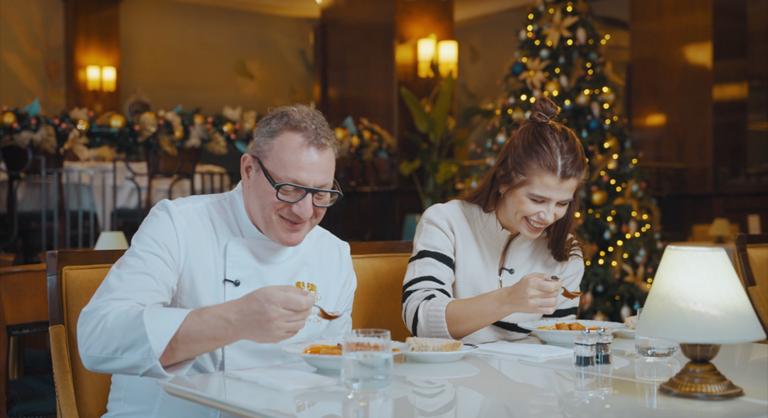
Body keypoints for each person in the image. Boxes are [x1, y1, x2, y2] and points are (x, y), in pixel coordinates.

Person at [78, 104, 355, 417]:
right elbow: (98, 339)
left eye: (320, 194)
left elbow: (335, 376)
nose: (304, 212)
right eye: (289, 189)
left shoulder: (333, 254)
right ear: (248, 170)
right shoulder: (179, 224)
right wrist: (236, 319)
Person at [402, 97, 587, 344]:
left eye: (562, 203)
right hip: (450, 380)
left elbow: (558, 343)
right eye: (537, 199)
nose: (549, 215)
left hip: (527, 380)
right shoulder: (447, 222)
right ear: (504, 180)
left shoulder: (565, 250)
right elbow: (419, 319)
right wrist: (509, 299)